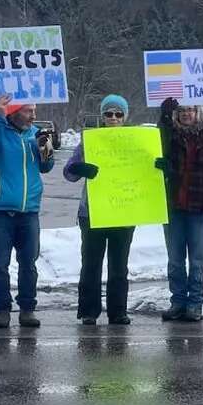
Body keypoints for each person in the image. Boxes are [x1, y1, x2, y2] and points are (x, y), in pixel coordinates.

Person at [0, 94, 55, 328]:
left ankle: (27, 308)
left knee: (28, 263)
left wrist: (47, 150)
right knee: (0, 263)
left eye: (34, 109)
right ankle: (2, 309)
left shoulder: (34, 134)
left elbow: (46, 167)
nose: (34, 115)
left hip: (28, 210)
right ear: (13, 112)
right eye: (28, 110)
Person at [63, 95, 135, 326]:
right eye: (108, 113)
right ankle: (88, 311)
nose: (113, 118)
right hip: (93, 212)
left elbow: (148, 172)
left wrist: (157, 167)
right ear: (102, 116)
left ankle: (118, 312)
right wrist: (80, 167)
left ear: (125, 117)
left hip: (123, 211)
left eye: (118, 114)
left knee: (119, 265)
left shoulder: (134, 141)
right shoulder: (89, 140)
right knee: (91, 264)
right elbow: (69, 173)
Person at [157, 98, 203, 320]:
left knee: (197, 260)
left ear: (198, 113)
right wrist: (164, 115)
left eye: (190, 110)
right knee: (175, 259)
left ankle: (195, 303)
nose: (186, 114)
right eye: (182, 111)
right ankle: (177, 301)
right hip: (173, 208)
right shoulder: (171, 139)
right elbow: (159, 137)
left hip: (200, 209)